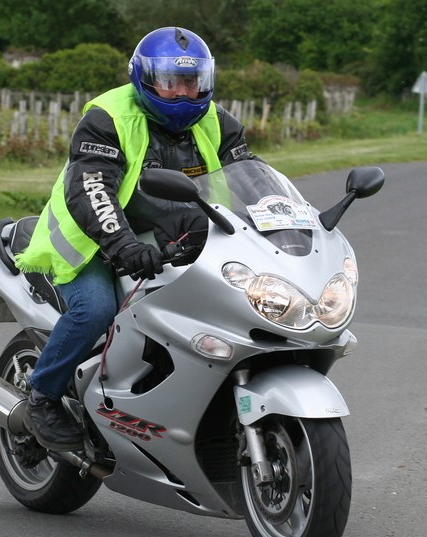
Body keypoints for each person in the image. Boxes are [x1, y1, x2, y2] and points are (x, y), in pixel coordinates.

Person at [14, 26, 257, 451]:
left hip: (170, 241)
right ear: (143, 79)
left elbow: (251, 179)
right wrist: (124, 246)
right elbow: (91, 188)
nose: (182, 93)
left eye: (191, 82)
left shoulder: (218, 121)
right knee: (96, 311)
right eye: (170, 82)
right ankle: (42, 398)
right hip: (88, 241)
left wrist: (282, 222)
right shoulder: (108, 117)